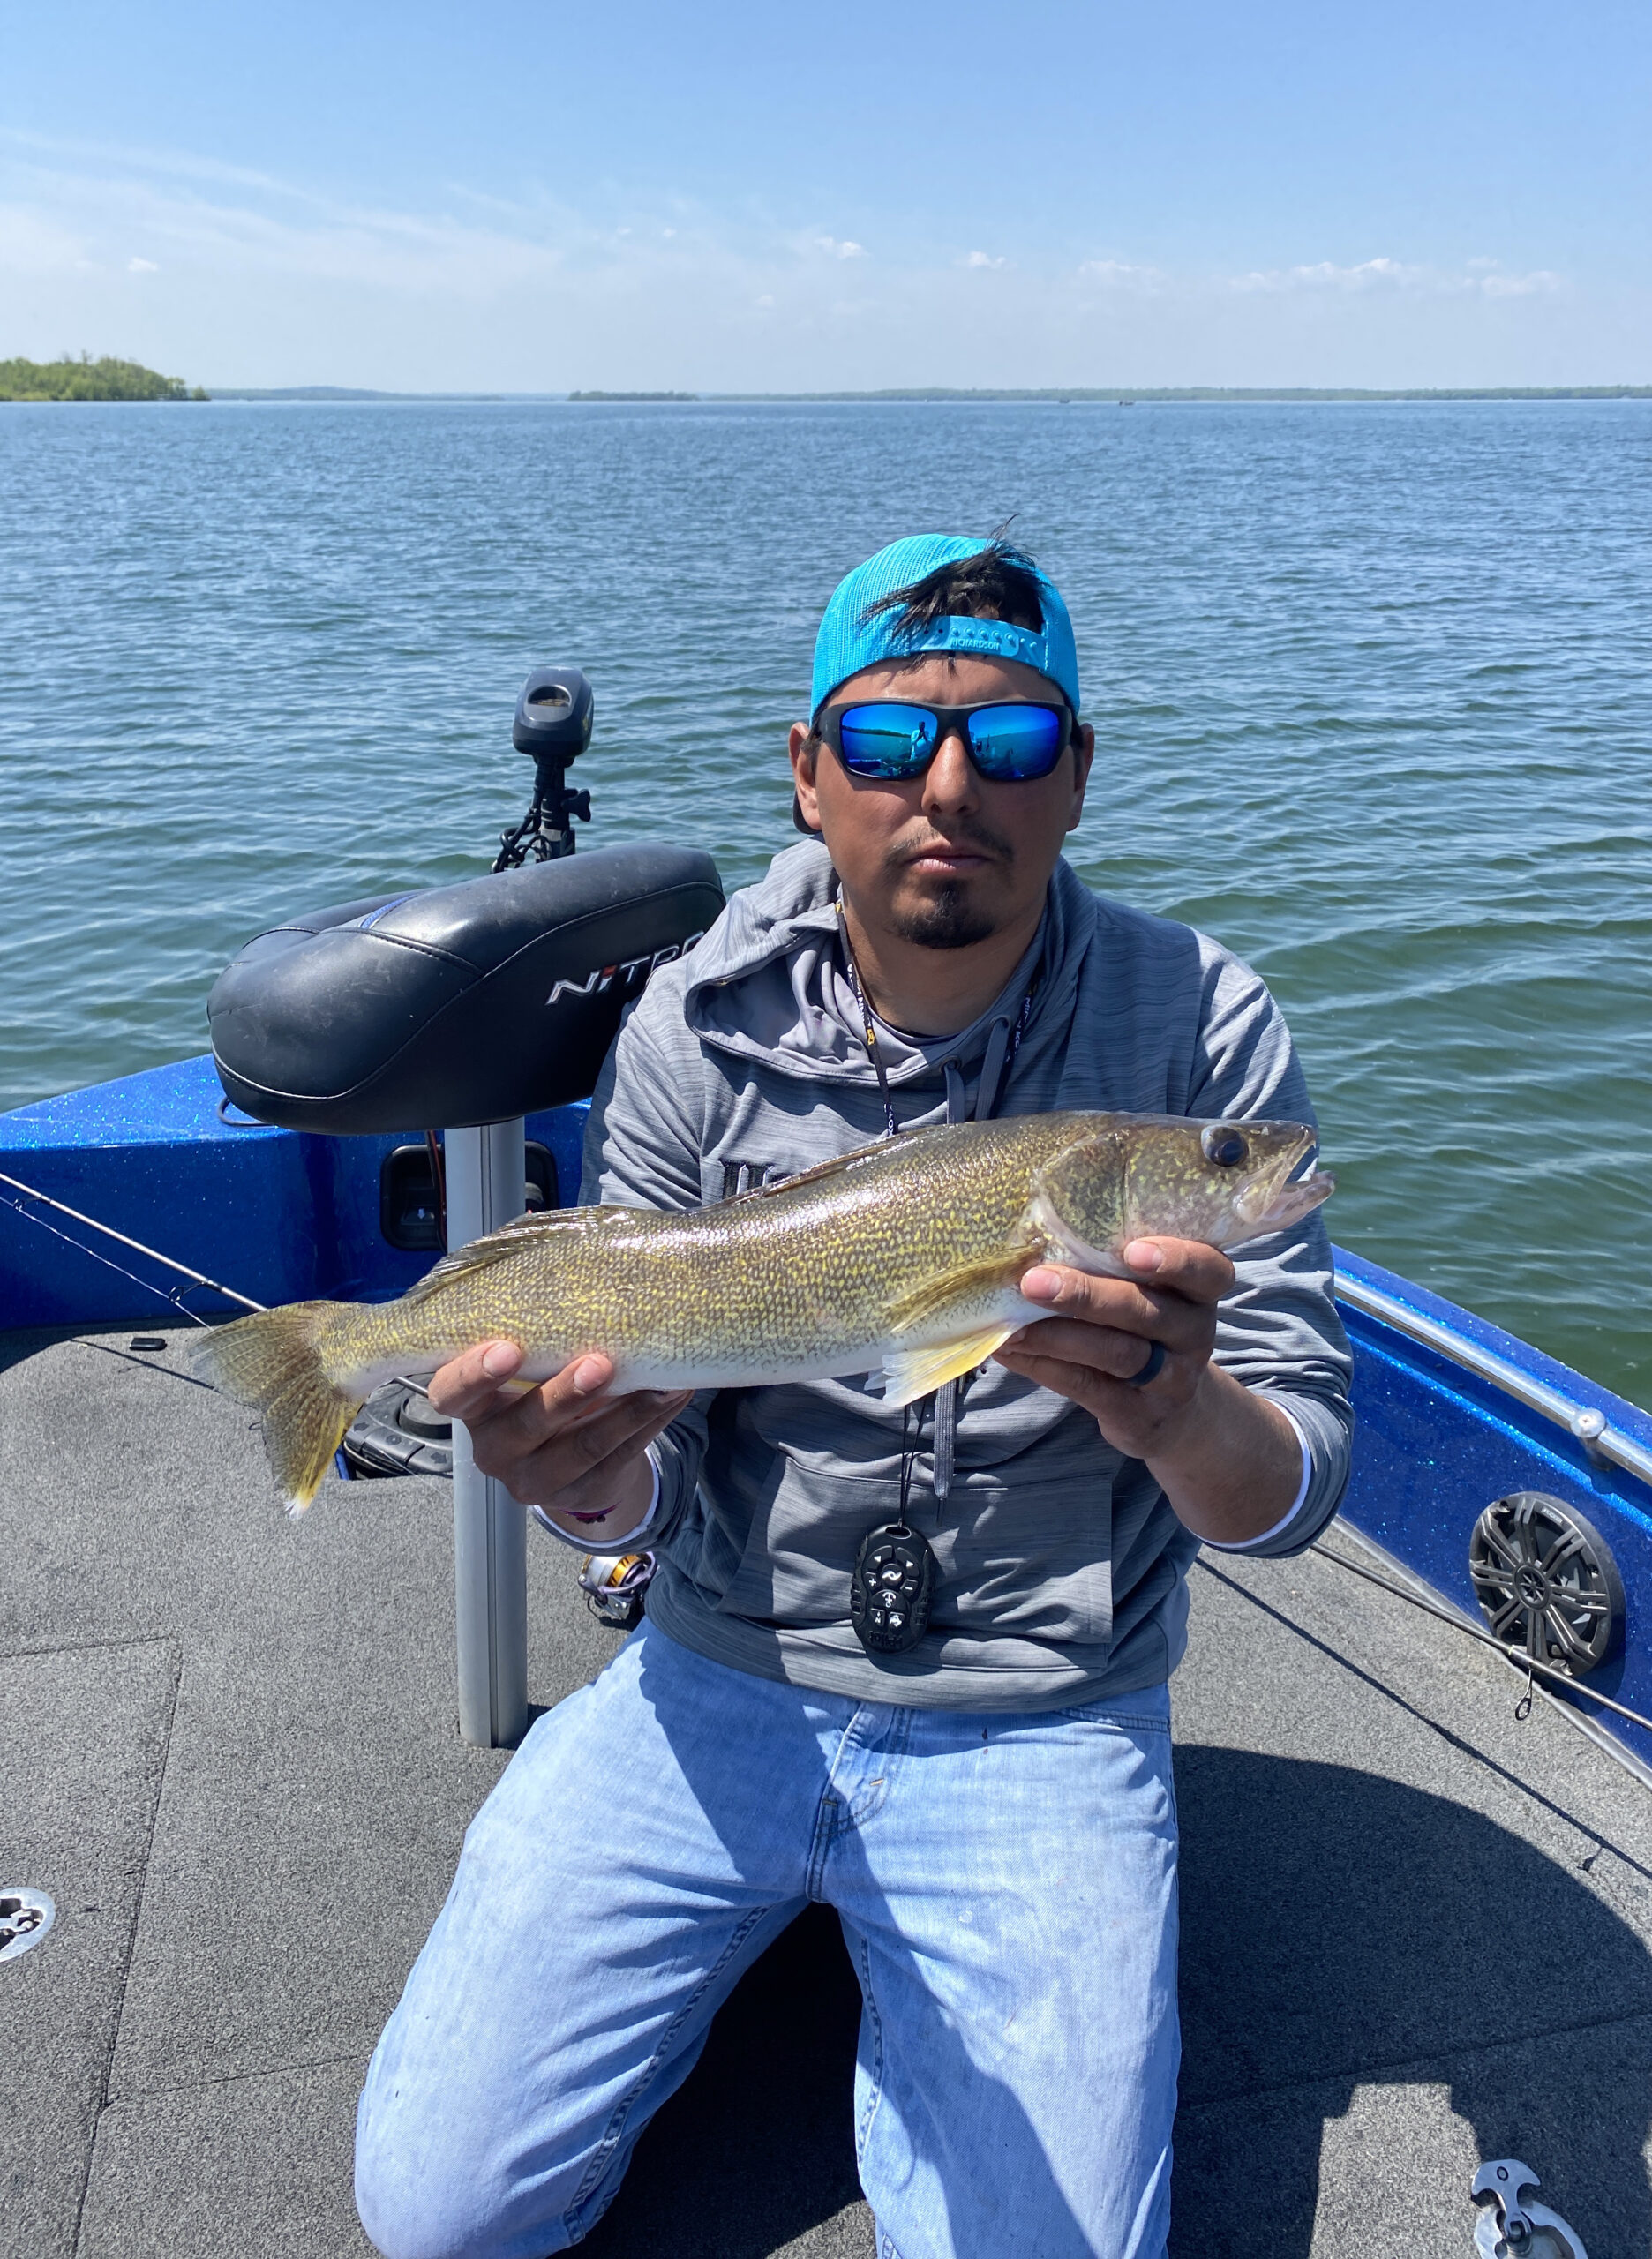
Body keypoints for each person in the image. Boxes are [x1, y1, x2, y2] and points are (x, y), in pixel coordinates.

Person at [354, 535, 1353, 2259]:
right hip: (717, 1665)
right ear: (810, 774)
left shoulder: (1207, 1030)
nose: (950, 784)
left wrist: (1181, 1418)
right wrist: (578, 1482)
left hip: (1047, 1698)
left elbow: (1300, 1482)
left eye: (1013, 740)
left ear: (1079, 776)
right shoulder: (687, 1028)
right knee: (439, 2207)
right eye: (887, 743)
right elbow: (646, 1496)